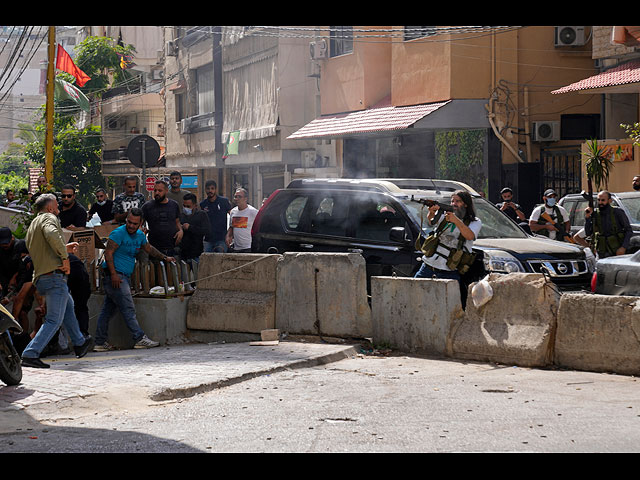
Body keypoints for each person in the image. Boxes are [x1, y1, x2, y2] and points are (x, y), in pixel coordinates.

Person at [20, 193, 94, 369]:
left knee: (68, 305)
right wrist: (65, 258)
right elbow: (52, 234)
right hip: (54, 276)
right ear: (50, 208)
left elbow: (45, 246)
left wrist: (64, 248)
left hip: (42, 277)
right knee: (54, 320)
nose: (59, 210)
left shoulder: (34, 224)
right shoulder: (49, 218)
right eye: (57, 207)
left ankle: (79, 342)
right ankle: (30, 353)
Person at [94, 208, 170, 351]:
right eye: (129, 222)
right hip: (116, 276)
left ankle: (99, 341)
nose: (131, 226)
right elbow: (108, 254)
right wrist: (114, 274)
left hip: (123, 276)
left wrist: (164, 258)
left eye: (135, 224)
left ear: (140, 223)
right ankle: (139, 338)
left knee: (108, 310)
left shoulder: (140, 235)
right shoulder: (118, 233)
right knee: (128, 308)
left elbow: (149, 249)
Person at [414, 190, 482, 308]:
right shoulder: (445, 215)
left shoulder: (474, 221)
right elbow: (431, 222)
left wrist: (456, 220)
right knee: (414, 296)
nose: (454, 204)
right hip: (429, 266)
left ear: (465, 204)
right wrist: (431, 212)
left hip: (449, 270)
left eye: (458, 201)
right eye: (452, 201)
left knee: (449, 307)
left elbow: (470, 236)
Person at [584, 190, 633, 259]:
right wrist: (587, 217)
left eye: (603, 200)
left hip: (616, 250)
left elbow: (629, 231)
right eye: (599, 200)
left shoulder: (617, 212)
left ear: (609, 201)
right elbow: (588, 233)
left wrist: (623, 247)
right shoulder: (595, 214)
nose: (600, 202)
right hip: (601, 252)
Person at [141, 180, 183, 257]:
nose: (157, 193)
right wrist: (142, 232)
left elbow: (177, 222)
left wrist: (180, 231)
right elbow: (140, 224)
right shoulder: (147, 206)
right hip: (154, 249)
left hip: (172, 248)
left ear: (166, 191)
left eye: (160, 191)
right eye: (155, 190)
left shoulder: (174, 205)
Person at [200, 180, 232, 253]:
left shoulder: (224, 201)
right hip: (208, 240)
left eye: (212, 188)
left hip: (222, 239)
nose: (210, 191)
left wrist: (230, 234)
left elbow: (232, 216)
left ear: (215, 189)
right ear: (205, 189)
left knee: (220, 261)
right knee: (207, 261)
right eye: (208, 188)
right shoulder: (202, 204)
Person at [179, 192, 210, 264]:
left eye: (188, 206)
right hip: (184, 254)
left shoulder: (202, 215)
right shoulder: (182, 216)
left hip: (197, 253)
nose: (186, 208)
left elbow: (207, 231)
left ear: (195, 206)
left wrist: (190, 227)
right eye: (184, 206)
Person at [226, 188, 259, 253]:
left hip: (248, 248)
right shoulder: (233, 211)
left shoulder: (253, 212)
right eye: (235, 196)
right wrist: (228, 236)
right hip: (236, 248)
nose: (237, 199)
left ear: (245, 198)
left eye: (239, 197)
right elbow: (231, 227)